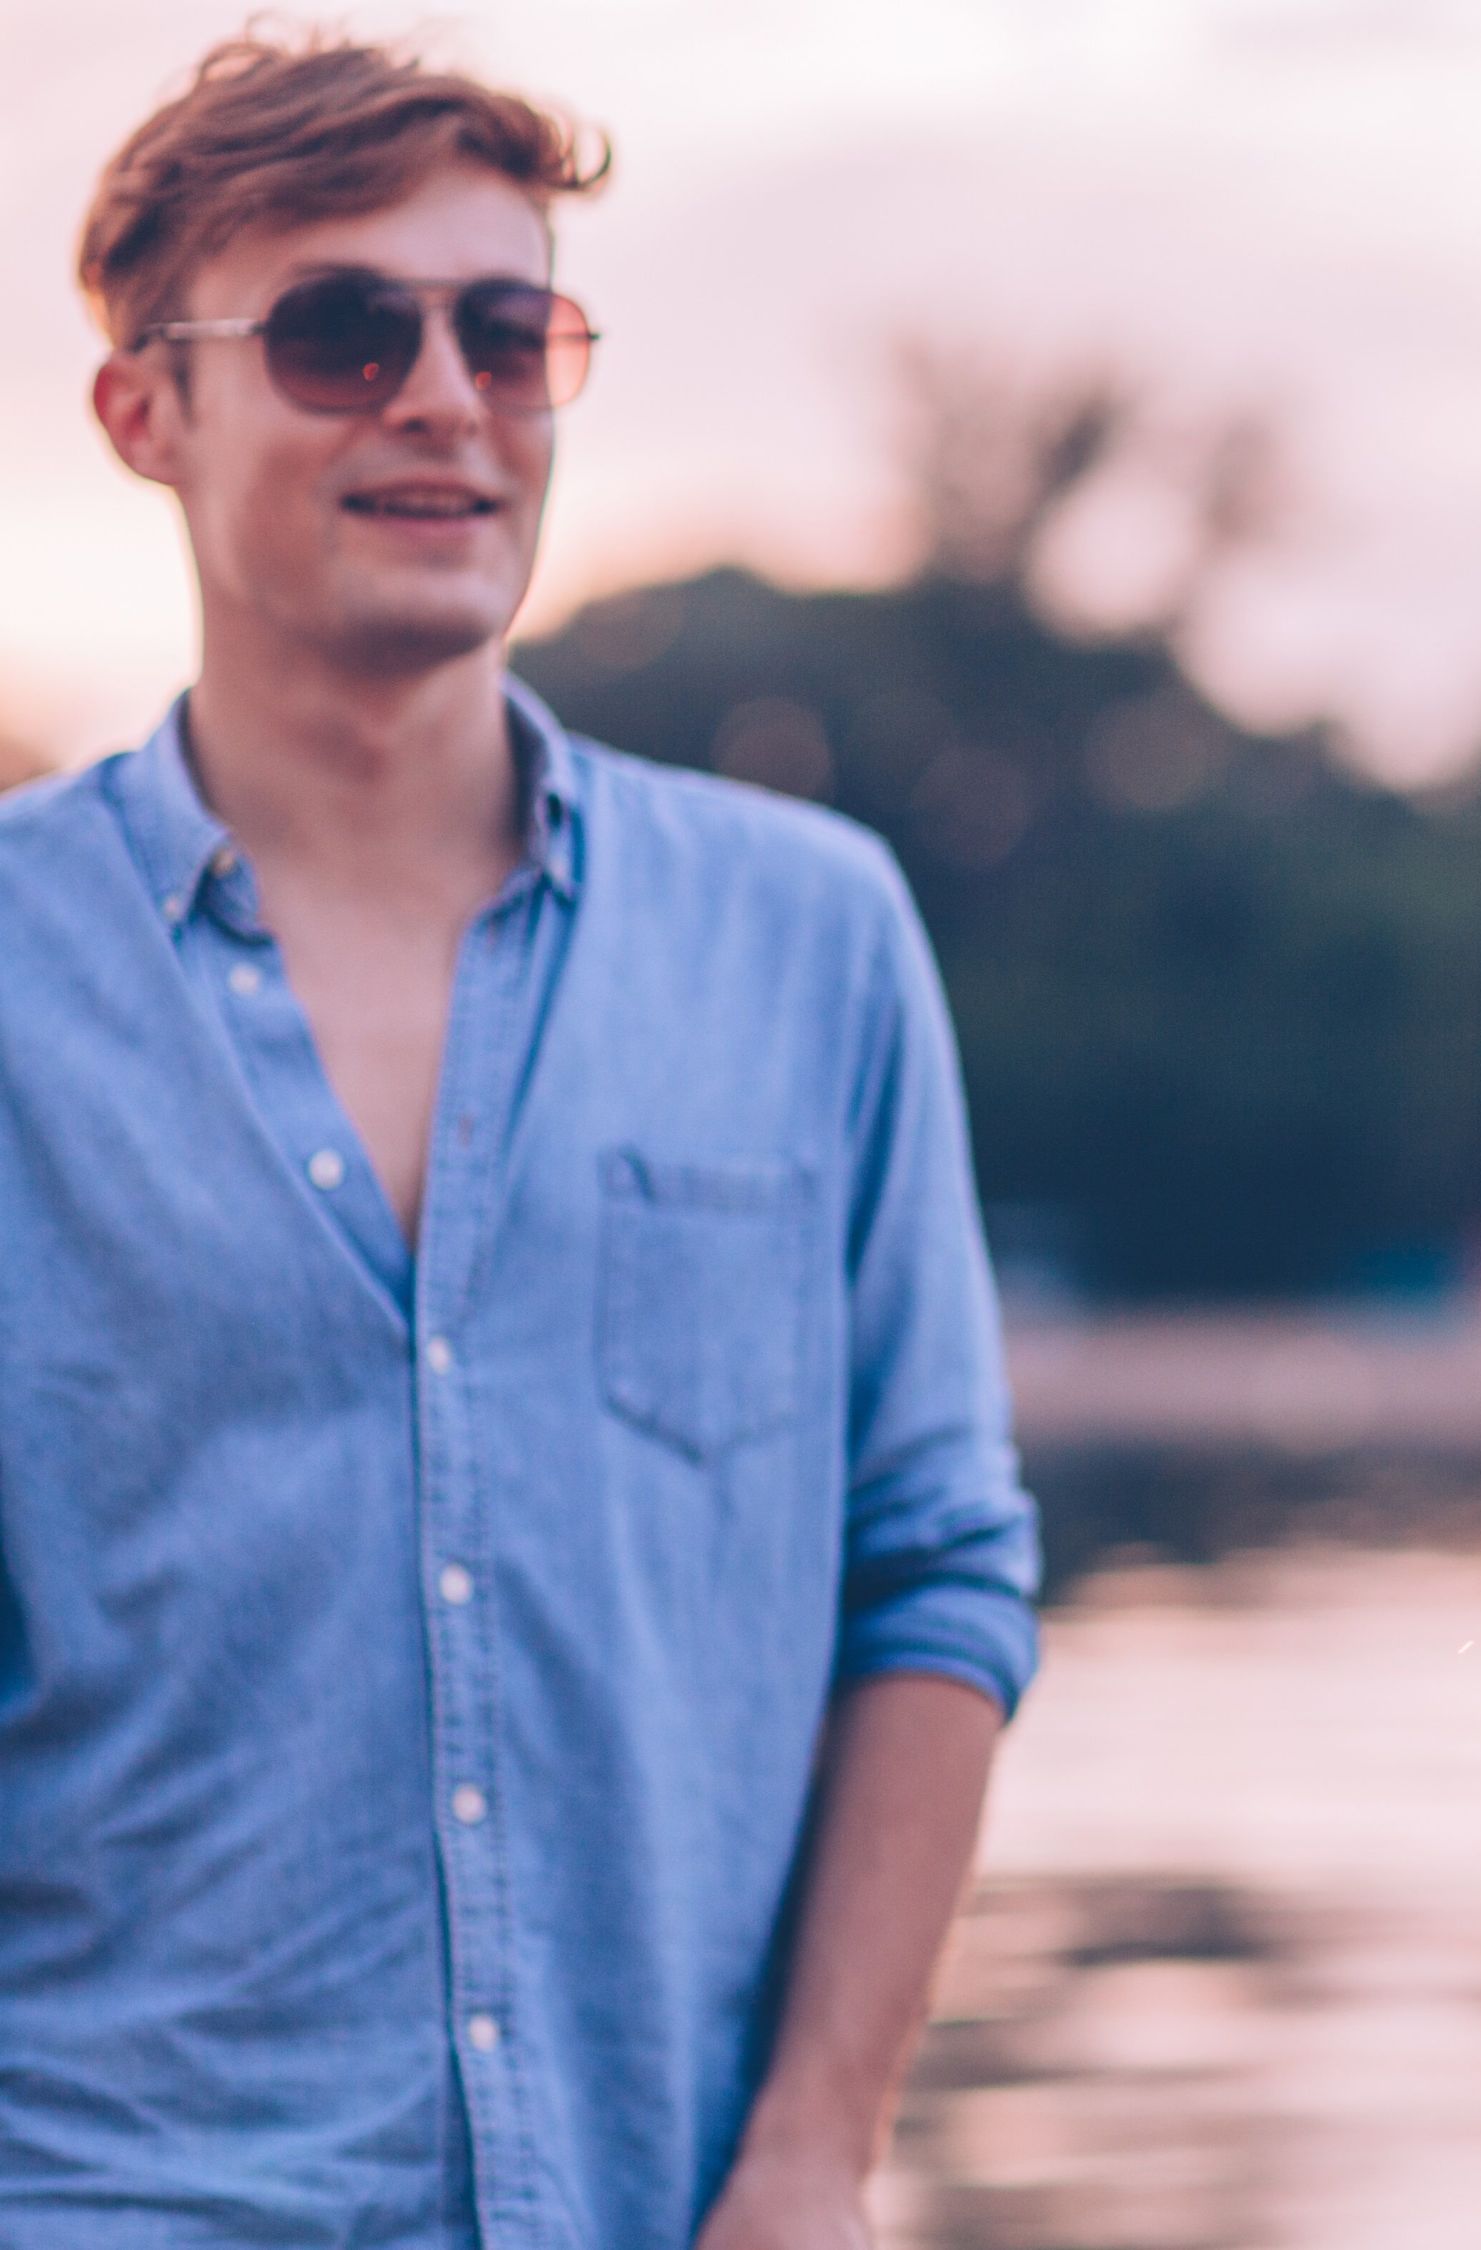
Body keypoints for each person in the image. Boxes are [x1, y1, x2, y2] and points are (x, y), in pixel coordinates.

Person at [0, 34, 1039, 2248]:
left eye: (510, 329)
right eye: (340, 330)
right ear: (140, 412)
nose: (445, 398)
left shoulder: (813, 935)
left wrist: (814, 2156)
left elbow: (933, 1568)